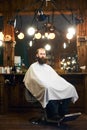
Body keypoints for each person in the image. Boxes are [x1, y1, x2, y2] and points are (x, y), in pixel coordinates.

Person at [23, 48, 79, 119]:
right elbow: (33, 80)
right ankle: (54, 114)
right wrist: (44, 84)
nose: (43, 56)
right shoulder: (33, 67)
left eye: (44, 54)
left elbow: (57, 78)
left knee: (70, 88)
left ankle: (62, 111)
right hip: (42, 88)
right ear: (37, 55)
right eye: (41, 54)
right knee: (48, 89)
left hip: (50, 86)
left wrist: (64, 83)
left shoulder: (48, 67)